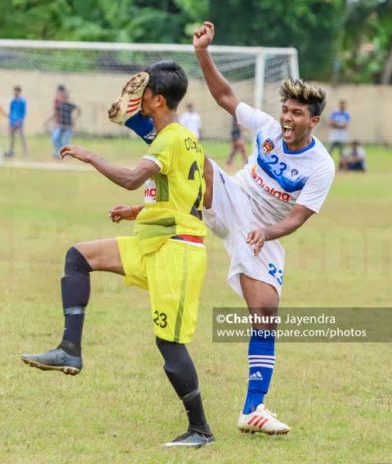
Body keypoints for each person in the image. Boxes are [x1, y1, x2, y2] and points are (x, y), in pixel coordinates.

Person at [108, 21, 335, 436]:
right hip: (232, 195)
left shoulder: (321, 165)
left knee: (265, 315)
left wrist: (267, 234)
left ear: (313, 122)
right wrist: (202, 54)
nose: (286, 118)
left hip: (265, 229)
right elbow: (226, 96)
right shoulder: (267, 127)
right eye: (285, 110)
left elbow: (299, 217)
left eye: (296, 113)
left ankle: (253, 409)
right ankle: (140, 120)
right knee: (199, 161)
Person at [21, 61, 215, 449]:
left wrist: (90, 157)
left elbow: (132, 178)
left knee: (169, 343)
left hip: (178, 252)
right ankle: (69, 350)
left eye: (141, 93)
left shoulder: (170, 139)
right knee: (78, 256)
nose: (135, 98)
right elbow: (201, 193)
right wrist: (140, 211)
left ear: (158, 100)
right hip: (155, 240)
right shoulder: (187, 140)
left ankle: (200, 431)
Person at [51, 91, 80, 159]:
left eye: (65, 97)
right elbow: (56, 114)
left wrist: (74, 119)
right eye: (63, 97)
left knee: (66, 141)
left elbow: (79, 110)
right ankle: (58, 153)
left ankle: (67, 155)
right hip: (61, 126)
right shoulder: (60, 105)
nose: (64, 98)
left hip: (68, 126)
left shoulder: (70, 105)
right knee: (56, 140)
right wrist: (55, 123)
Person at [6, 86, 27, 158]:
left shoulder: (22, 102)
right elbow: (11, 112)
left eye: (16, 91)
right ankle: (11, 151)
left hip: (19, 122)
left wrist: (20, 121)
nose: (15, 93)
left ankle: (25, 153)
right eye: (14, 91)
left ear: (19, 92)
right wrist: (10, 122)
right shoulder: (12, 101)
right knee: (12, 137)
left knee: (22, 137)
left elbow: (23, 112)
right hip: (12, 122)